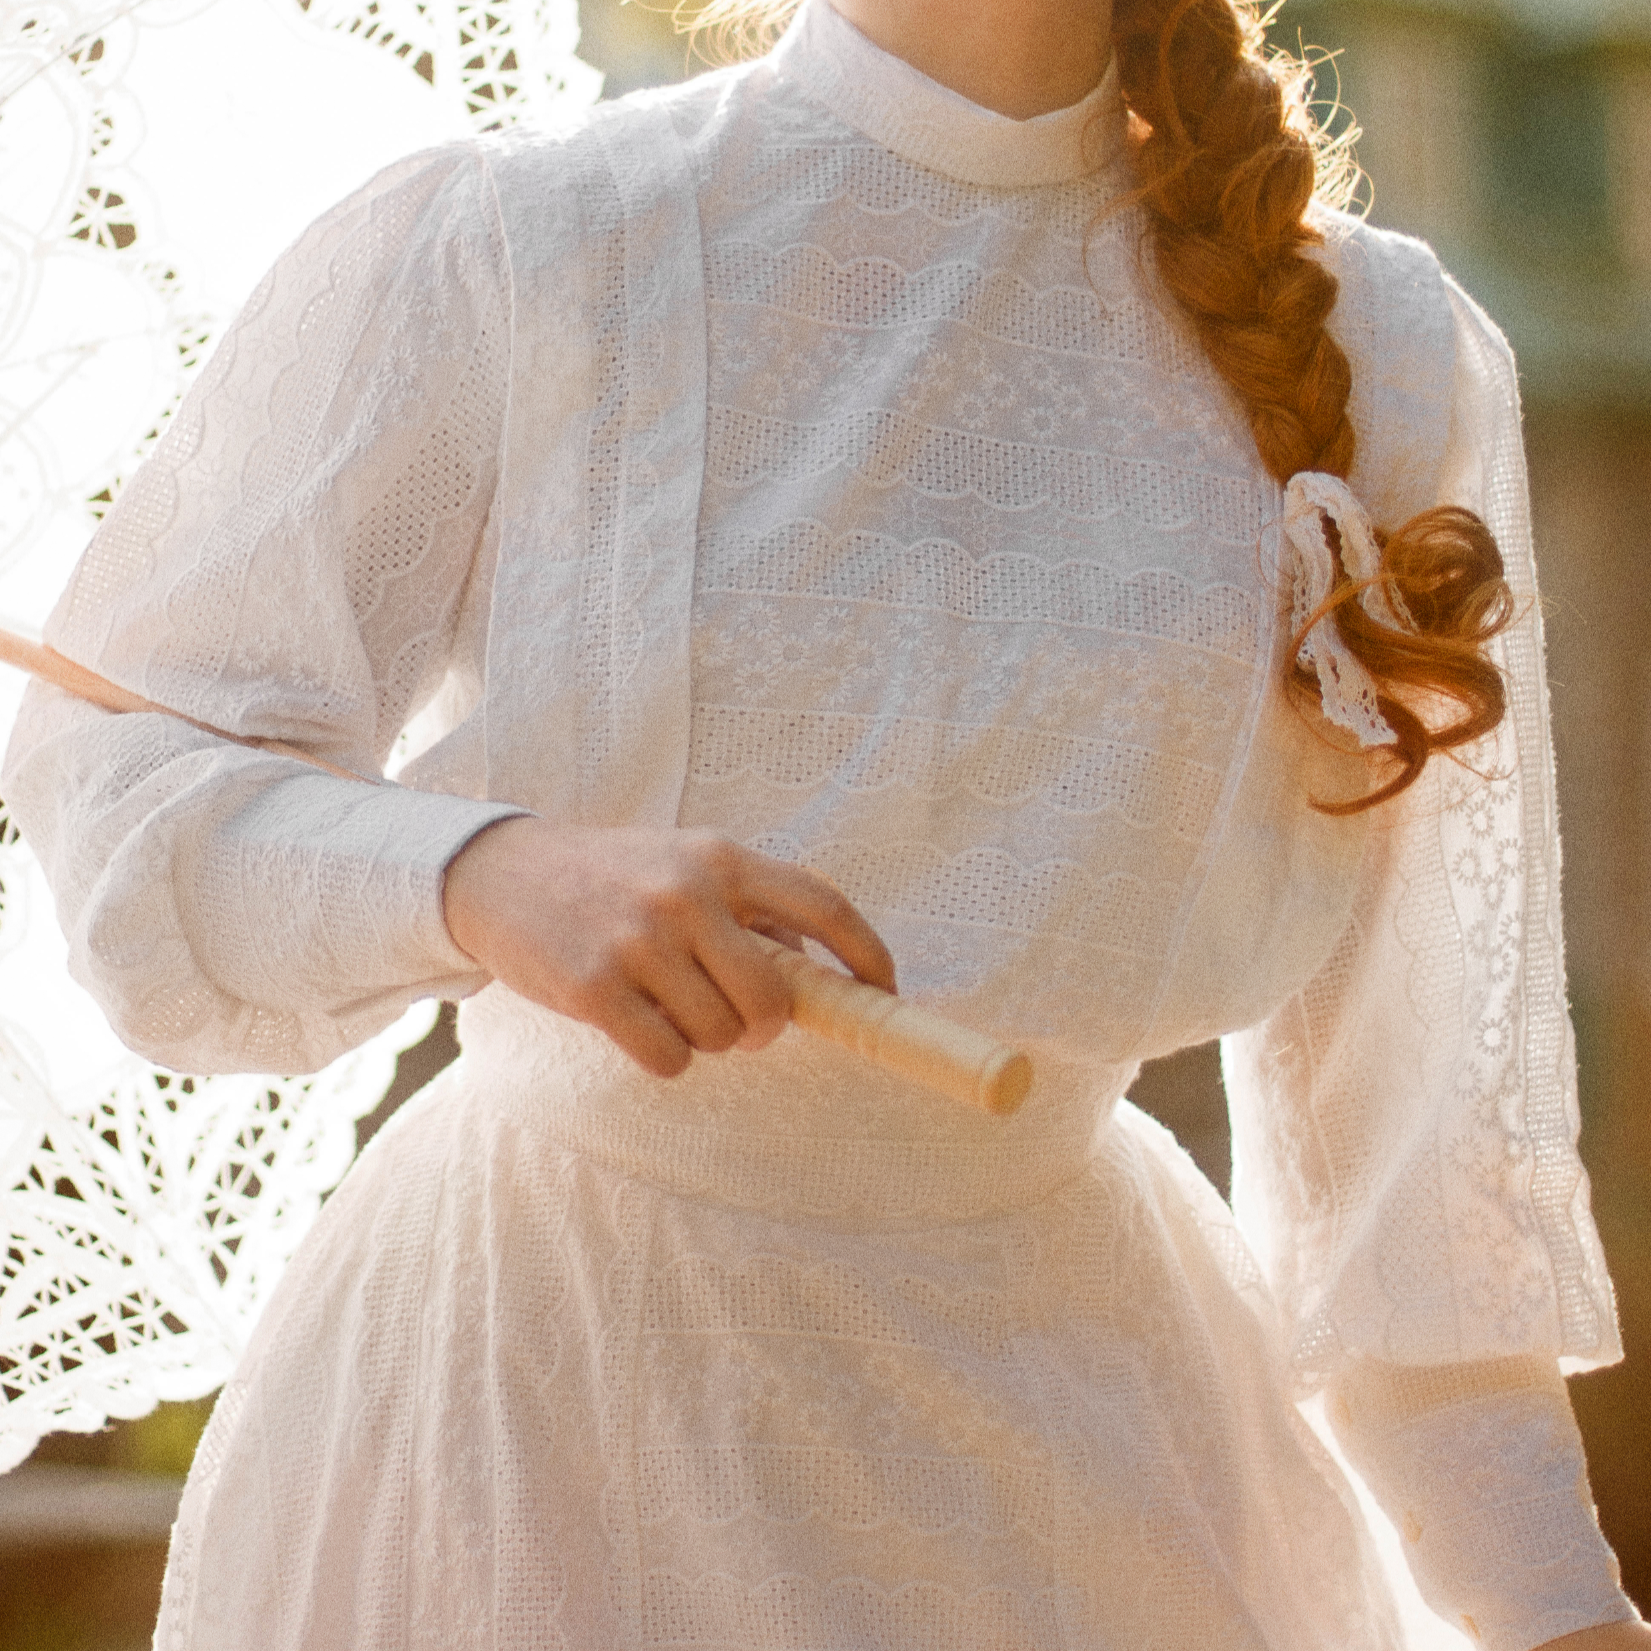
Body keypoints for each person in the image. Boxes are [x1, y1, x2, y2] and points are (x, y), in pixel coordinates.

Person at [4, 0, 1646, 1644]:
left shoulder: (1386, 348)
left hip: (1093, 1463)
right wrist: (485, 874)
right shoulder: (529, 242)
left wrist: (1557, 1614)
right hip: (533, 1431)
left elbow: (1411, 1158)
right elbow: (135, 781)